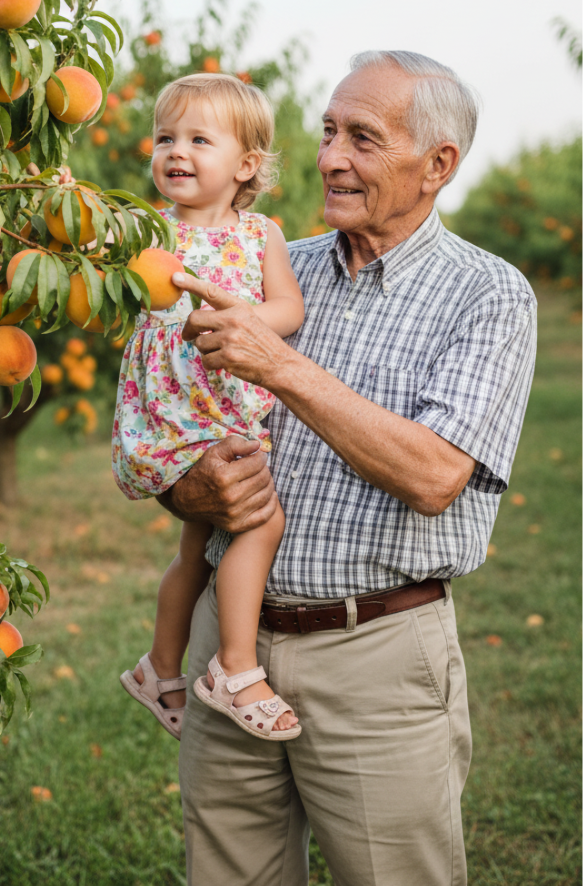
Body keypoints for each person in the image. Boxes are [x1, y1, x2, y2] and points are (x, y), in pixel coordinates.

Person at [161, 51, 537, 886]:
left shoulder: (486, 294)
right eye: (329, 132)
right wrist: (183, 486)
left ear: (436, 164)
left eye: (362, 138)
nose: (330, 158)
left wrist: (281, 366)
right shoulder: (266, 267)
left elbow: (437, 476)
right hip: (233, 651)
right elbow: (174, 425)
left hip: (375, 659)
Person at [114, 74, 305, 741]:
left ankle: (158, 667)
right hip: (173, 415)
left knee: (197, 548)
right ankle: (236, 667)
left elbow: (289, 308)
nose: (176, 152)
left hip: (224, 405)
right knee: (259, 520)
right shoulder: (140, 230)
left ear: (246, 165)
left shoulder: (259, 236)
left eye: (199, 139)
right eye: (166, 137)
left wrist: (242, 316)